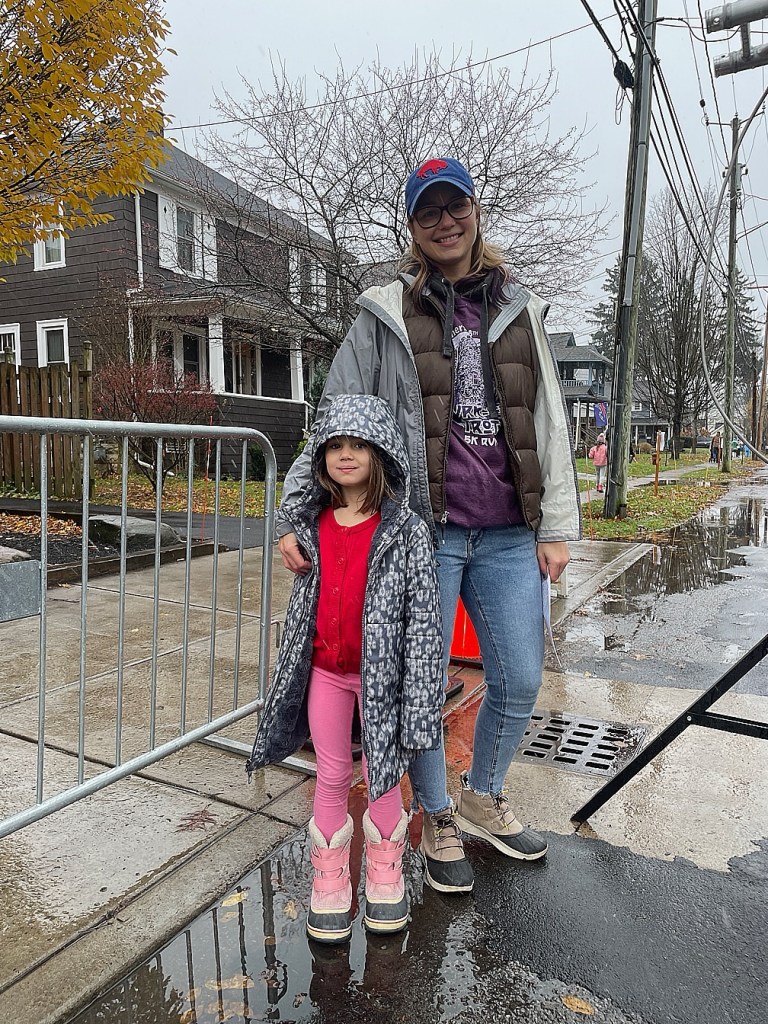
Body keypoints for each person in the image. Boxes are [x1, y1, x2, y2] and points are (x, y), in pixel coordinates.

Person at [278, 156, 580, 896]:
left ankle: (483, 794)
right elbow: (336, 418)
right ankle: (437, 815)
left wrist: (557, 523)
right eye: (428, 211)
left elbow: (548, 419)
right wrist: (296, 511)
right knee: (416, 685)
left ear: (476, 211)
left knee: (520, 677)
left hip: (510, 531)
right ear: (412, 227)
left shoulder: (519, 307)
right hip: (421, 534)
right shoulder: (383, 315)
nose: (446, 222)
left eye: (456, 206)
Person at [247, 393, 443, 944]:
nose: (346, 454)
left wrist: (421, 697)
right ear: (322, 457)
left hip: (384, 680)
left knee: (383, 772)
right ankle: (330, 877)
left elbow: (425, 619)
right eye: (335, 445)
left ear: (381, 453)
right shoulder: (313, 525)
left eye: (359, 445)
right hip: (326, 674)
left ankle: (385, 871)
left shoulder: (405, 531)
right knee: (332, 773)